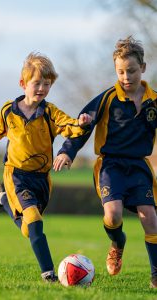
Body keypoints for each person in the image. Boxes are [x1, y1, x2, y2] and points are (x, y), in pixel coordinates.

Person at [0, 52, 92, 282]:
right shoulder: (8, 111)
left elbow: (67, 125)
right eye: (37, 83)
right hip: (16, 175)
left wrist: (80, 124)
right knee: (33, 220)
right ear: (23, 84)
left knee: (29, 229)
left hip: (42, 179)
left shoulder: (50, 112)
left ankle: (3, 200)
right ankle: (49, 274)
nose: (42, 88)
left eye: (47, 84)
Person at [54, 36, 157, 288]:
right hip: (110, 166)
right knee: (112, 216)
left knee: (151, 219)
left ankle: (155, 275)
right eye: (120, 72)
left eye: (131, 71)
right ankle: (117, 244)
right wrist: (68, 150)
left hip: (139, 167)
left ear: (142, 68)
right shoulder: (107, 98)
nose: (126, 77)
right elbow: (83, 123)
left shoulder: (154, 101)